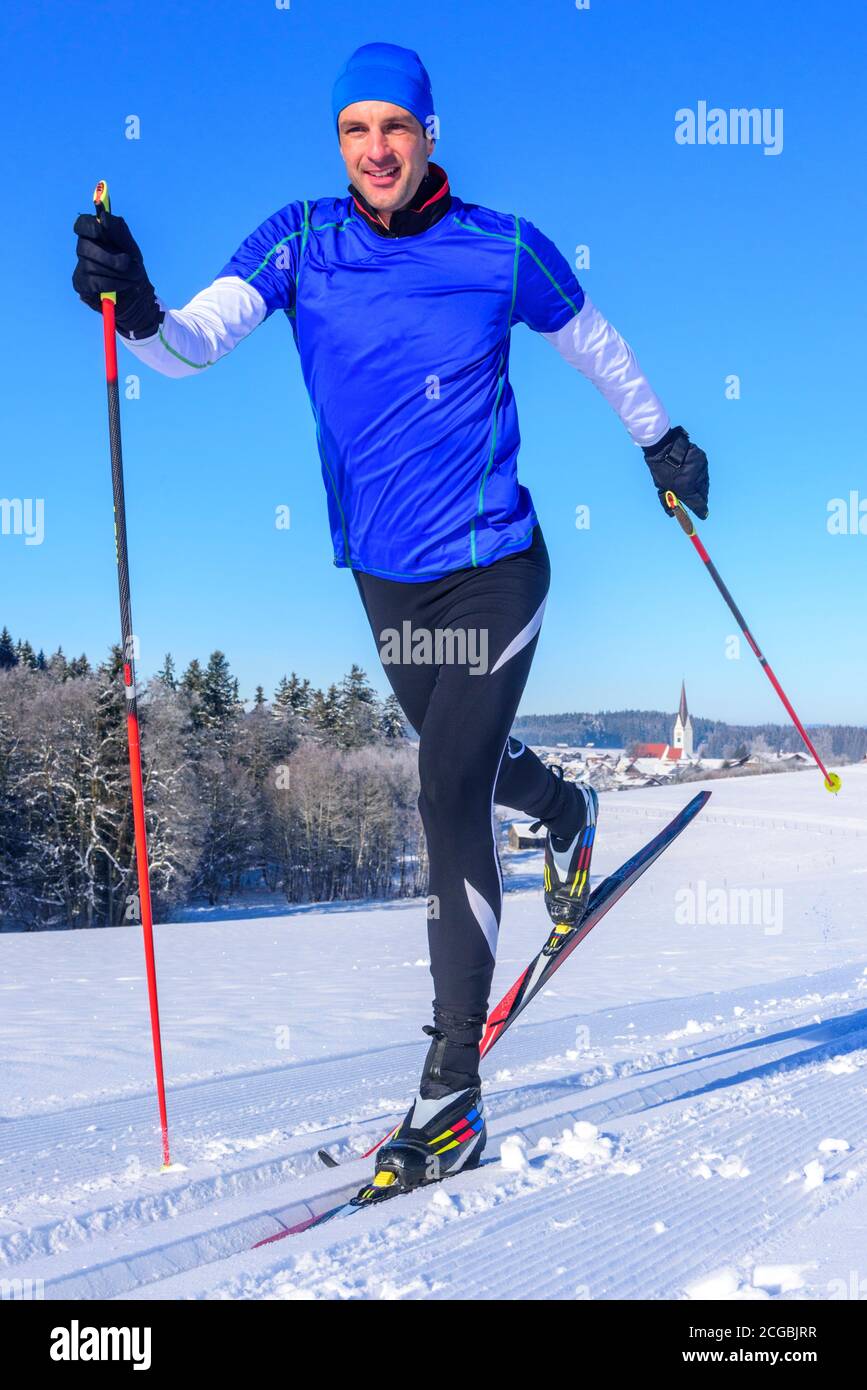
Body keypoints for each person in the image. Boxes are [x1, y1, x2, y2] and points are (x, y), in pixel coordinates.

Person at [73, 42, 709, 1201]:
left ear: (429, 132)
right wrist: (143, 303)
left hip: (495, 566)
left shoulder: (500, 247)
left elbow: (595, 341)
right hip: (385, 576)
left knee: (444, 790)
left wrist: (659, 438)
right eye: (355, 129)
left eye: (396, 127)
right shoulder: (300, 241)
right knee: (456, 759)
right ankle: (567, 810)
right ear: (340, 143)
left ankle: (451, 1089)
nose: (376, 149)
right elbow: (192, 343)